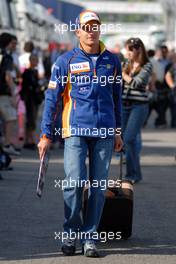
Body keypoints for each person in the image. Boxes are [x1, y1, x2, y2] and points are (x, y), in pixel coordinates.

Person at [38, 10, 123, 258]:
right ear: (78, 31)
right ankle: (70, 233)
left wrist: (118, 131)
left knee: (97, 188)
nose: (91, 31)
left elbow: (117, 99)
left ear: (100, 30)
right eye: (87, 27)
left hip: (105, 131)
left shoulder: (113, 61)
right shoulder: (65, 61)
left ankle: (90, 238)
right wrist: (46, 135)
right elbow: (52, 100)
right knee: (74, 182)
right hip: (75, 130)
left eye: (95, 26)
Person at [122, 37, 152, 183]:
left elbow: (136, 83)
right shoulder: (126, 64)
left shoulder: (147, 65)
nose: (127, 52)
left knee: (129, 139)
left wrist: (122, 74)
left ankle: (131, 175)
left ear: (137, 50)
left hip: (139, 106)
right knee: (128, 141)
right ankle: (136, 174)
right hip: (124, 105)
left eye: (129, 49)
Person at [0, 32, 20, 156]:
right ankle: (7, 144)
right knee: (11, 118)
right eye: (13, 43)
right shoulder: (7, 56)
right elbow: (8, 76)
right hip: (4, 93)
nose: (15, 46)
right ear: (7, 43)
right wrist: (14, 93)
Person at [21, 54, 41, 149]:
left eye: (36, 60)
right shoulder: (27, 72)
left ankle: (29, 140)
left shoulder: (35, 72)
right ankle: (29, 140)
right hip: (29, 99)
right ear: (30, 60)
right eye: (34, 60)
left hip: (35, 99)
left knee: (33, 119)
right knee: (30, 119)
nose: (36, 62)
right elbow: (25, 87)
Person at [165, 52, 176, 128]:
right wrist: (172, 86)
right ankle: (174, 123)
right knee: (174, 108)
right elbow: (167, 76)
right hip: (175, 90)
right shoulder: (173, 66)